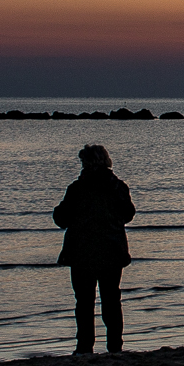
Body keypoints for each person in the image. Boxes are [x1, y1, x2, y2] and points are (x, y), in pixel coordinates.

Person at [55, 143, 136, 354]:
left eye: (83, 161)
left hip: (82, 252)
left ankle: (84, 346)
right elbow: (128, 214)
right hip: (111, 250)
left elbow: (62, 218)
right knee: (111, 300)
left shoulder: (77, 189)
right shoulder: (118, 186)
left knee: (84, 302)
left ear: (88, 163)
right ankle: (115, 346)